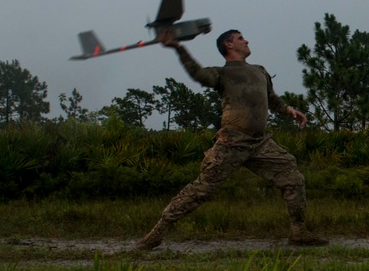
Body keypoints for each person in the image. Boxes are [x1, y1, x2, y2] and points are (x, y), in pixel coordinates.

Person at [134, 27, 327, 250]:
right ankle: (156, 234)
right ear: (229, 45)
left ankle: (299, 233)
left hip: (260, 143)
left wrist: (290, 111)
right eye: (240, 38)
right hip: (231, 143)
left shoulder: (259, 71)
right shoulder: (221, 74)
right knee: (201, 189)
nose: (246, 41)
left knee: (293, 179)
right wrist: (178, 47)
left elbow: (272, 99)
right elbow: (198, 73)